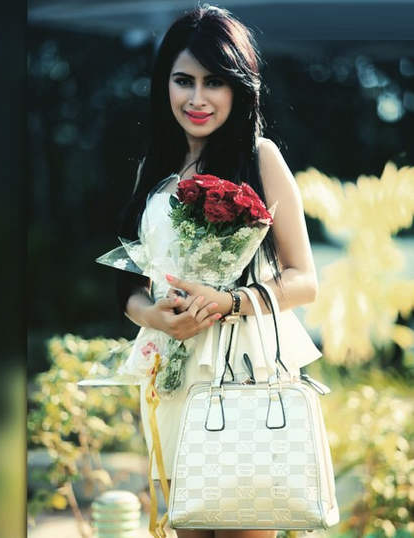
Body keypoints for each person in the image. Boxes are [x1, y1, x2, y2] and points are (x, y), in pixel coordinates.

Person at [116, 5, 322, 538]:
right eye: (183, 81)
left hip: (245, 370)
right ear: (165, 84)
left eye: (214, 82)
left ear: (239, 87)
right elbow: (130, 288)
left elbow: (303, 278)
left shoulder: (261, 157)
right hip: (170, 371)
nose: (197, 99)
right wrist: (157, 318)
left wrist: (229, 301)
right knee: (184, 526)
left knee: (242, 524)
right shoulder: (152, 166)